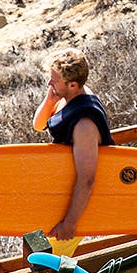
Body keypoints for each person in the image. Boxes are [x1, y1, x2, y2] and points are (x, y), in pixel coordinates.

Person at [32, 49, 114, 242]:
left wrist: (69, 223)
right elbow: (39, 125)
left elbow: (87, 180)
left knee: (51, 263)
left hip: (75, 209)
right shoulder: (67, 97)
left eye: (55, 80)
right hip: (59, 197)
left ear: (73, 85)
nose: (49, 83)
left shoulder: (85, 124)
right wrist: (50, 99)